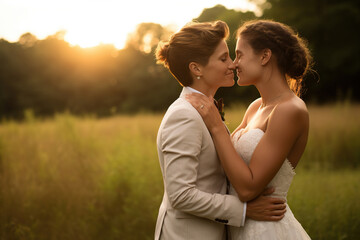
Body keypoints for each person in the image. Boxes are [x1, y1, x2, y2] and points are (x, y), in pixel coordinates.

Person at [154, 20, 287, 240]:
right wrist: (244, 210)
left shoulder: (205, 109)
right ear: (196, 68)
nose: (233, 65)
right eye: (223, 58)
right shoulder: (184, 115)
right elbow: (181, 195)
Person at [186, 19, 312, 239]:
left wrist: (216, 125)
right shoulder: (255, 107)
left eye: (239, 55)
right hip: (239, 227)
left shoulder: (290, 110)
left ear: (264, 56)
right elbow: (228, 165)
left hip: (266, 230)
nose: (234, 64)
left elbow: (247, 189)